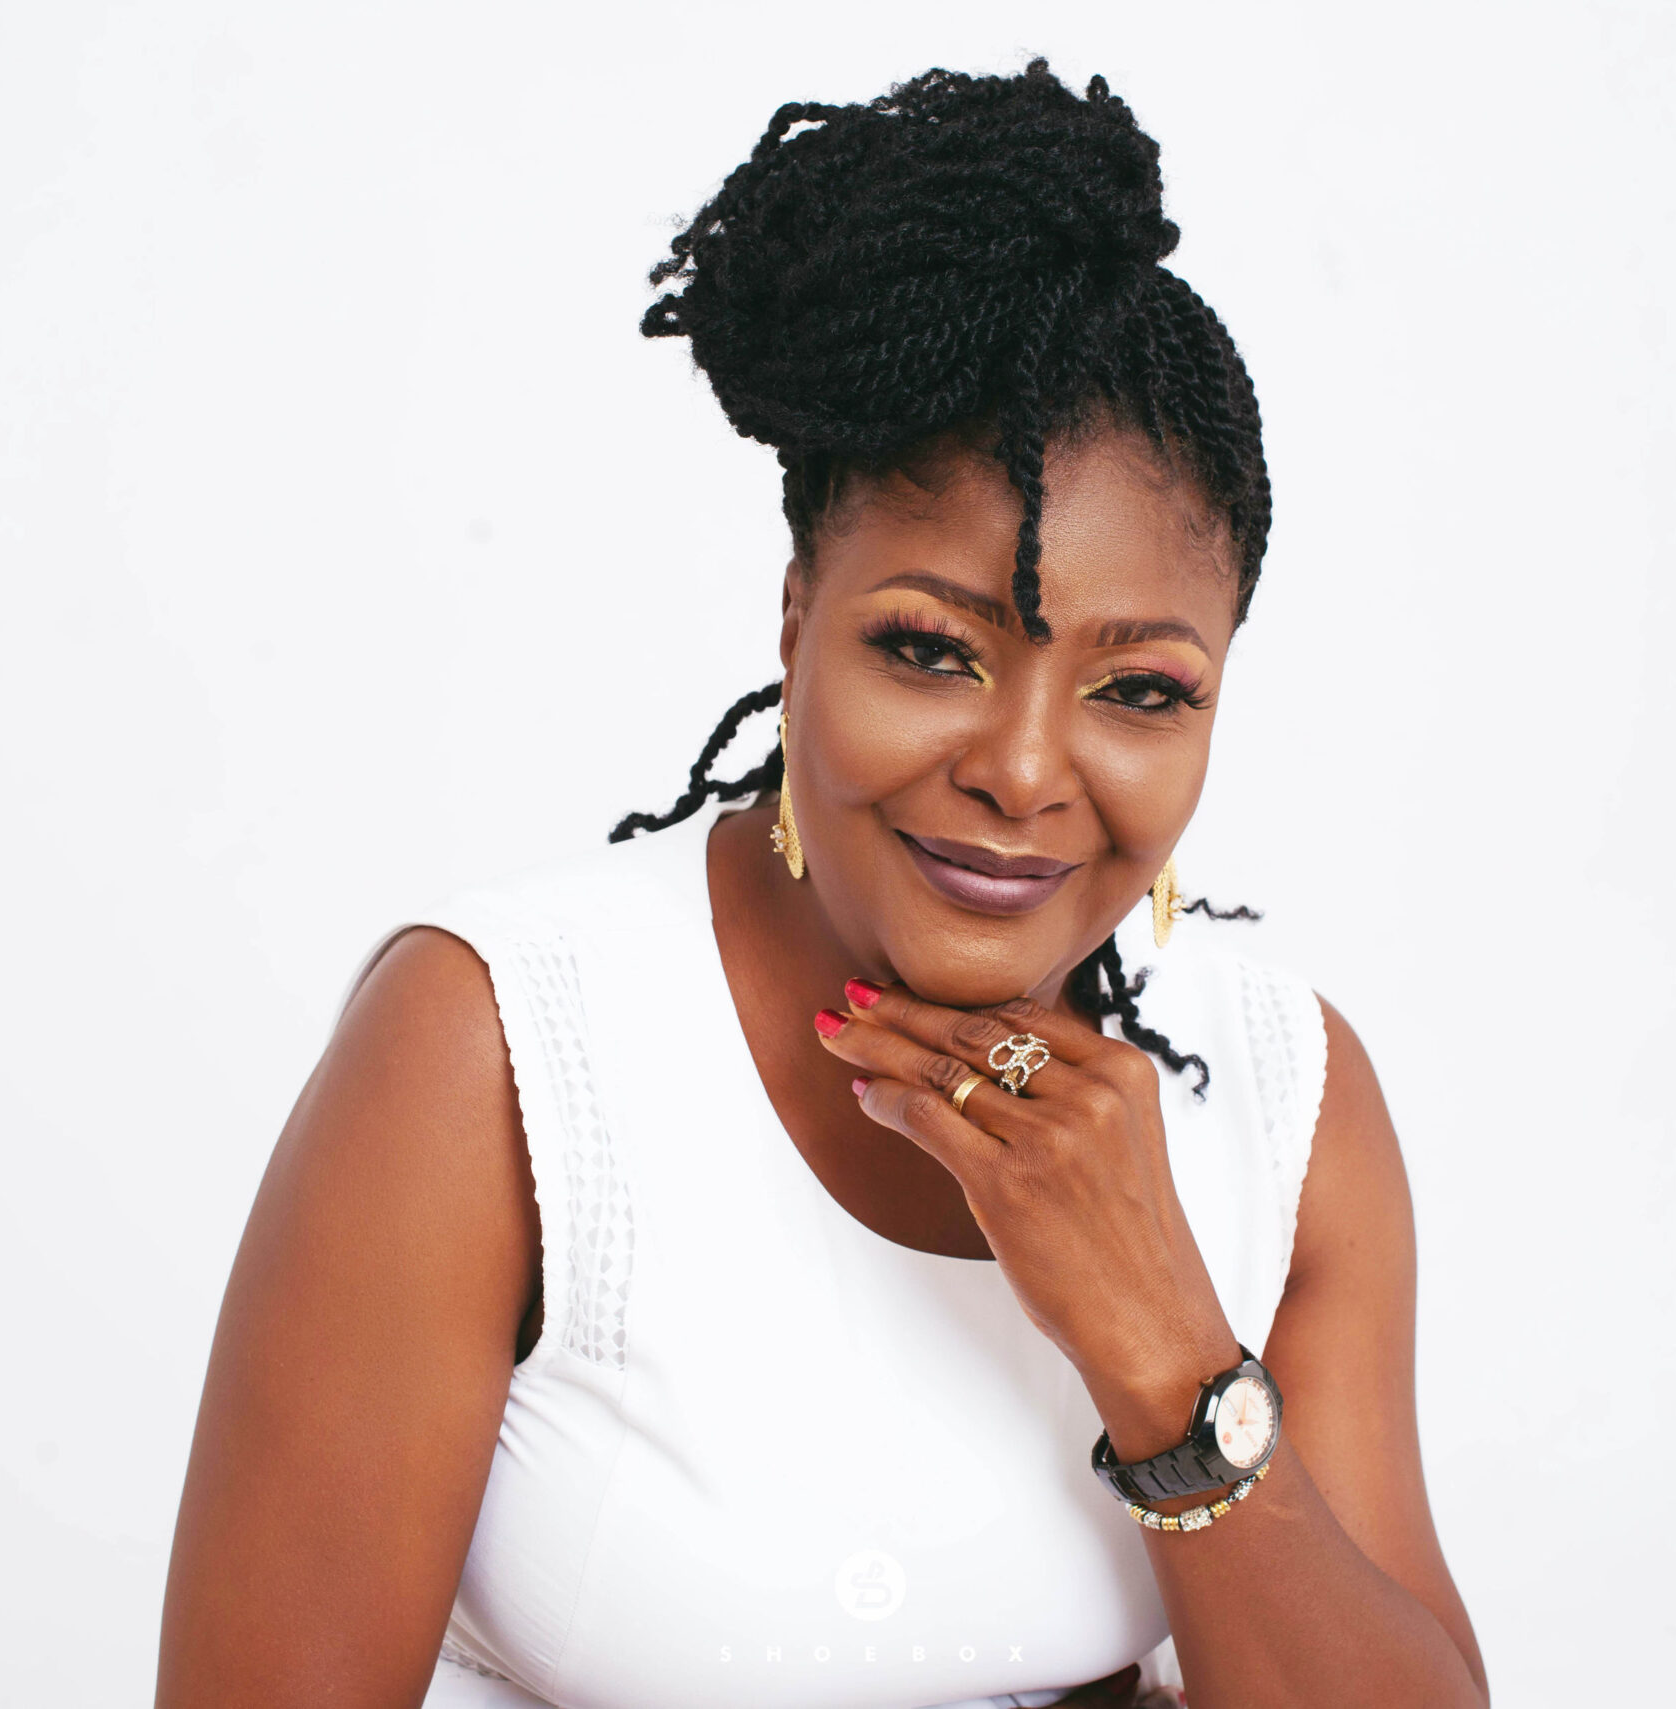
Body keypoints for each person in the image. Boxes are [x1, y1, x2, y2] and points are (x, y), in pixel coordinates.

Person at [157, 60, 1486, 1709]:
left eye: (1141, 687)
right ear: (795, 620)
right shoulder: (497, 1058)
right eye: (930, 649)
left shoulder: (1286, 1101)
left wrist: (1167, 1352)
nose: (1023, 769)